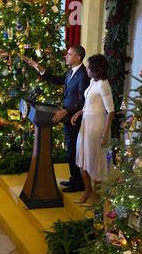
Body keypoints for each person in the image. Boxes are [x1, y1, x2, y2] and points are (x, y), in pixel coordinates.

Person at [22, 45, 91, 193]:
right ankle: (74, 179)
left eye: (69, 54)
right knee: (70, 149)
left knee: (73, 150)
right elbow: (56, 80)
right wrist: (38, 67)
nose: (66, 56)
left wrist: (66, 110)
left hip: (74, 118)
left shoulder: (83, 75)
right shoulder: (71, 72)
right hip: (66, 117)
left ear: (78, 57)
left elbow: (82, 100)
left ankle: (78, 183)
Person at [71, 54, 115, 206]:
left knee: (94, 159)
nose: (87, 69)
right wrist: (79, 112)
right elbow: (89, 104)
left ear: (97, 69)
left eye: (90, 67)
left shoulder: (104, 84)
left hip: (97, 126)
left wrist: (104, 135)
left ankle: (96, 193)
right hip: (86, 123)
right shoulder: (92, 81)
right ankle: (87, 190)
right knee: (82, 159)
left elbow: (111, 111)